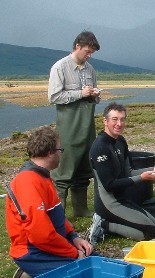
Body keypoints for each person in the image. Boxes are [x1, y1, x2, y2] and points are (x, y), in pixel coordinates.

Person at [5, 126, 94, 278]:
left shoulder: (43, 177)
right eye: (60, 150)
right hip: (32, 252)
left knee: (94, 260)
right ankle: (28, 275)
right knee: (85, 272)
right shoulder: (28, 182)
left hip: (50, 246)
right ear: (49, 152)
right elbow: (41, 236)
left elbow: (56, 214)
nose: (61, 154)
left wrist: (74, 237)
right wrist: (73, 253)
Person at [88, 102, 155, 245]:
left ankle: (109, 222)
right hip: (108, 203)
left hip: (122, 198)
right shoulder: (100, 147)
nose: (119, 124)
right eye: (115, 119)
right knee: (150, 232)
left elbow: (129, 172)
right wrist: (141, 178)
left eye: (122, 119)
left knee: (153, 221)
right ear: (105, 121)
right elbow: (110, 185)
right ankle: (104, 225)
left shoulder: (120, 141)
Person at [48, 31, 101, 217]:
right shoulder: (60, 67)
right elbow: (53, 96)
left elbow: (94, 98)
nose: (89, 55)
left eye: (92, 52)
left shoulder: (90, 70)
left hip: (88, 128)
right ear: (77, 46)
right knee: (63, 173)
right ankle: (58, 214)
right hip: (68, 129)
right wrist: (81, 94)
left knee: (84, 170)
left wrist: (95, 95)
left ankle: (80, 209)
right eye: (87, 51)